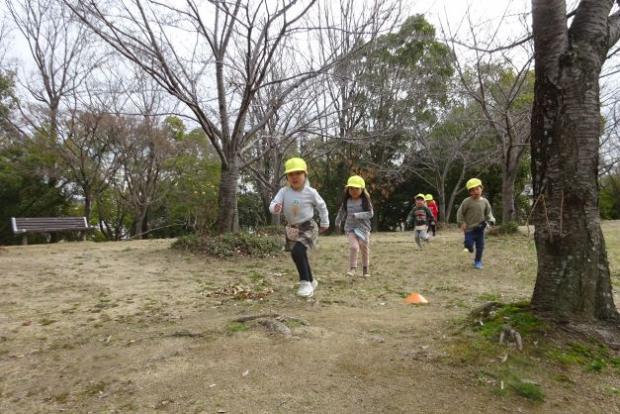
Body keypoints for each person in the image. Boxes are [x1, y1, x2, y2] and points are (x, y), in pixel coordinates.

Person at [269, 157, 329, 297]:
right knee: (297, 255)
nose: (294, 177)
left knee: (298, 251)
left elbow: (322, 206)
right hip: (292, 227)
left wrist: (325, 222)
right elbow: (273, 204)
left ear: (305, 175)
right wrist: (275, 208)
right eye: (291, 174)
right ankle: (311, 280)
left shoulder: (310, 192)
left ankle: (305, 283)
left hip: (308, 226)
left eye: (298, 173)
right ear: (287, 177)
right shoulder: (284, 191)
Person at [335, 175, 374, 278]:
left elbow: (370, 214)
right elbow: (341, 212)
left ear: (362, 189)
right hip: (350, 228)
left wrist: (358, 215)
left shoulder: (365, 201)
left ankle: (365, 269)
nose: (353, 191)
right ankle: (352, 268)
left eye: (356, 188)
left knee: (363, 247)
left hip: (364, 229)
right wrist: (337, 222)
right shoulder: (346, 201)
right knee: (354, 247)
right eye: (351, 188)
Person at [456, 178, 496, 269]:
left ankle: (478, 261)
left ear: (481, 188)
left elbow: (489, 213)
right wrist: (461, 223)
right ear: (470, 192)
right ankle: (469, 247)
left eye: (477, 189)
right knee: (469, 244)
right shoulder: (467, 201)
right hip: (469, 229)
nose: (475, 191)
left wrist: (492, 220)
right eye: (472, 190)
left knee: (480, 246)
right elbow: (460, 212)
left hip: (480, 229)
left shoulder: (485, 202)